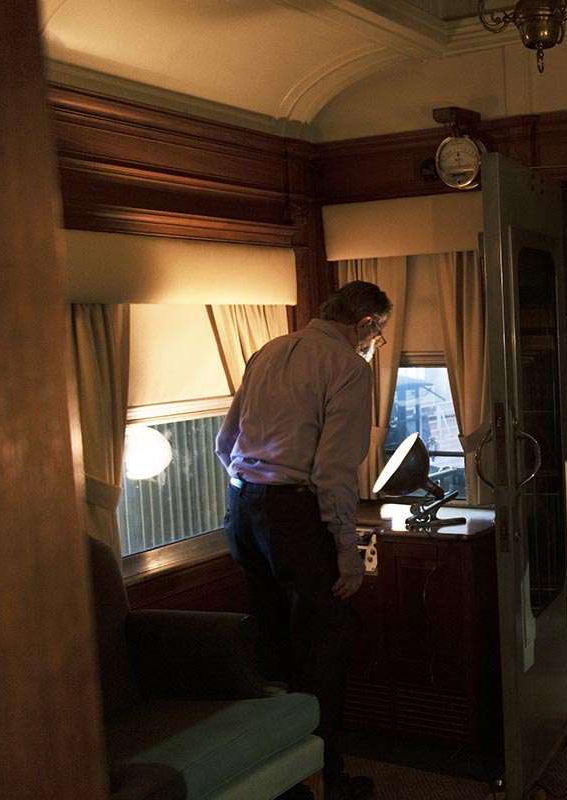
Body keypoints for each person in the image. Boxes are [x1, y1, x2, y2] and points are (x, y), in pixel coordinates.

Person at [215, 280, 392, 800]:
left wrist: (255, 488)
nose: (374, 343)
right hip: (294, 515)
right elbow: (333, 471)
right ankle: (324, 778)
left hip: (244, 509)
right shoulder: (347, 367)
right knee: (324, 645)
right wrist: (346, 550)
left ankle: (285, 779)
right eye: (377, 333)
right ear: (363, 324)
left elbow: (226, 442)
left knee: (272, 643)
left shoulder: (267, 351)